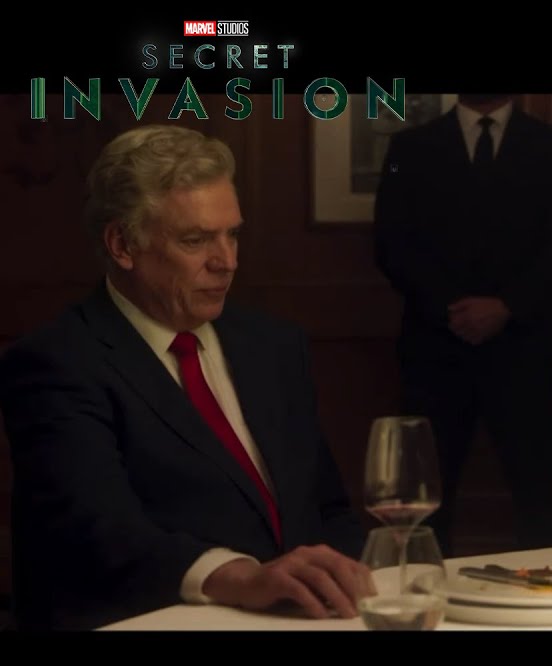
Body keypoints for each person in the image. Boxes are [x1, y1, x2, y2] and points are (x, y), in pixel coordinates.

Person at [0, 125, 371, 631]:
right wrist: (244, 579)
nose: (227, 262)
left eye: (232, 234)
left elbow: (327, 510)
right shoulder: (57, 362)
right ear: (122, 244)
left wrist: (347, 586)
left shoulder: (274, 345)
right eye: (195, 240)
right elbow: (100, 530)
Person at [373, 94, 552, 556]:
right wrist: (452, 309)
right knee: (426, 487)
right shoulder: (410, 148)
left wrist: (506, 306)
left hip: (525, 344)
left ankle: (548, 589)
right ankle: (423, 585)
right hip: (435, 346)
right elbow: (392, 243)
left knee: (536, 485)